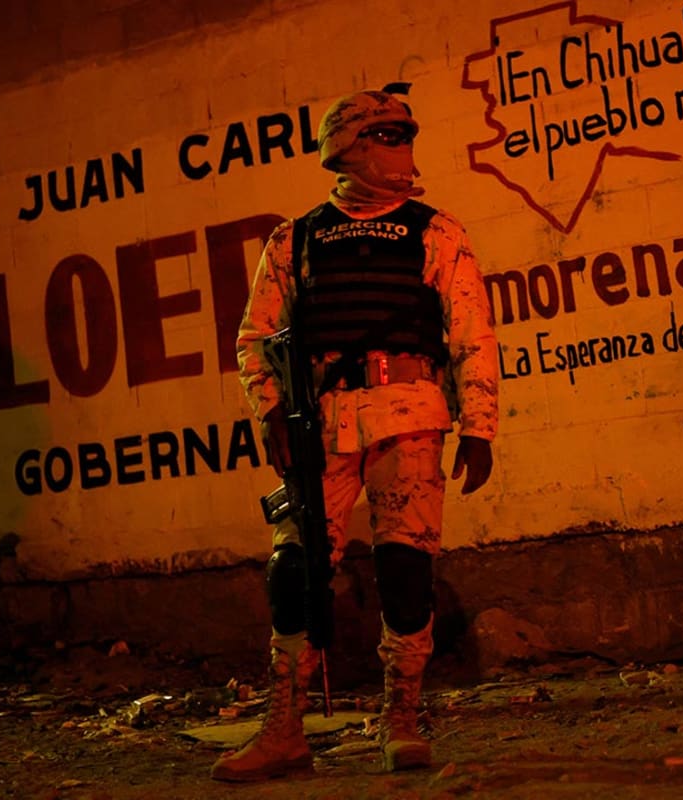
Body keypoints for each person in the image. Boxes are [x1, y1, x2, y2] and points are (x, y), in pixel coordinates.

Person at [211, 86, 499, 782]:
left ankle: (400, 720)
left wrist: (479, 426)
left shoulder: (437, 231)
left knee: (406, 570)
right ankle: (284, 729)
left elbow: (471, 334)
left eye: (405, 137)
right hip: (323, 423)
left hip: (411, 415)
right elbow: (254, 338)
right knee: (296, 575)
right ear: (348, 150)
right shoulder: (295, 239)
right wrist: (273, 413)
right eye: (388, 138)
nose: (403, 152)